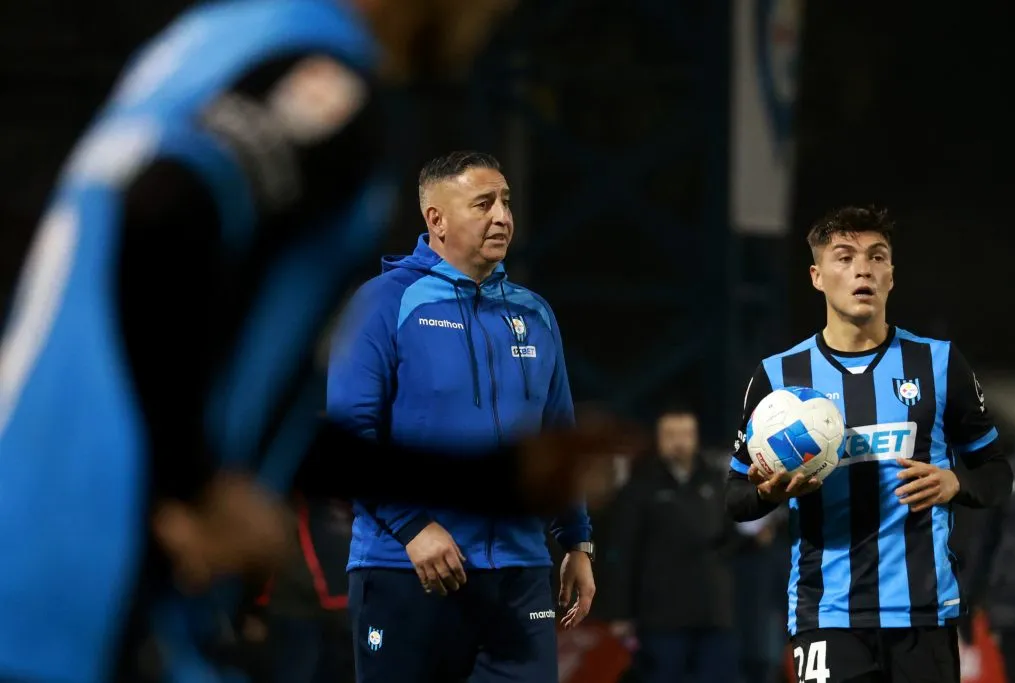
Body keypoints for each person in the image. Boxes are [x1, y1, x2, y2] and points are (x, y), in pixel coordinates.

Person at [0, 3, 634, 682]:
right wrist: (193, 484)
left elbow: (259, 425)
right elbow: (158, 214)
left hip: (47, 547)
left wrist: (491, 482)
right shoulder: (325, 80)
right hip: (90, 582)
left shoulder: (213, 43)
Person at [328, 150, 595, 683]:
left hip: (519, 575)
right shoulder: (384, 304)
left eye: (506, 202)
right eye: (484, 203)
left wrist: (576, 541)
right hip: (410, 568)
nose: (502, 216)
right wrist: (412, 528)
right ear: (436, 219)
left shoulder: (534, 313)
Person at [724, 206, 1013, 683]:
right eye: (845, 257)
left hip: (924, 614)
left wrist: (954, 481)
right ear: (817, 277)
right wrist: (767, 495)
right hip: (826, 615)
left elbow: (997, 474)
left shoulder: (937, 363)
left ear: (892, 276)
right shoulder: (779, 379)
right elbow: (735, 497)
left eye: (877, 257)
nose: (863, 268)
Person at [603, 407, 740, 683]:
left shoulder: (715, 480)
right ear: (659, 438)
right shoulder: (640, 486)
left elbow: (730, 536)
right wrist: (621, 613)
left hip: (712, 610)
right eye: (671, 434)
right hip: (661, 616)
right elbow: (623, 552)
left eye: (685, 434)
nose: (679, 441)